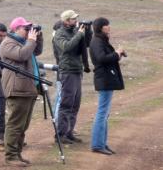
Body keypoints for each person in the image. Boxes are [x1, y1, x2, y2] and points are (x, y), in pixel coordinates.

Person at [0, 17, 43, 167]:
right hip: (17, 88)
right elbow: (22, 55)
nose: (28, 31)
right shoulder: (8, 43)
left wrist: (38, 36)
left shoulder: (25, 42)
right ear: (16, 28)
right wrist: (31, 40)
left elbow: (37, 51)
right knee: (15, 124)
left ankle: (17, 154)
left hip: (28, 87)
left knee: (23, 125)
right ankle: (10, 156)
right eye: (26, 28)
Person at [90, 17, 125, 155]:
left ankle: (102, 143)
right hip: (104, 79)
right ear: (100, 27)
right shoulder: (97, 41)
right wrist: (116, 53)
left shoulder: (100, 40)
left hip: (106, 78)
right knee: (102, 112)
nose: (109, 27)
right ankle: (98, 145)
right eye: (106, 25)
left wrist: (117, 55)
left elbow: (105, 57)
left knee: (105, 113)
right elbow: (101, 59)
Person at [52, 10, 86, 144]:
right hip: (67, 71)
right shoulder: (60, 34)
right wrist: (79, 34)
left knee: (75, 103)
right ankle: (60, 134)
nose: (75, 21)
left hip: (76, 70)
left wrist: (85, 32)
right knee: (66, 103)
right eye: (73, 19)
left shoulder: (74, 31)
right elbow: (66, 47)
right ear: (66, 21)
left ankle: (69, 132)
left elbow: (84, 45)